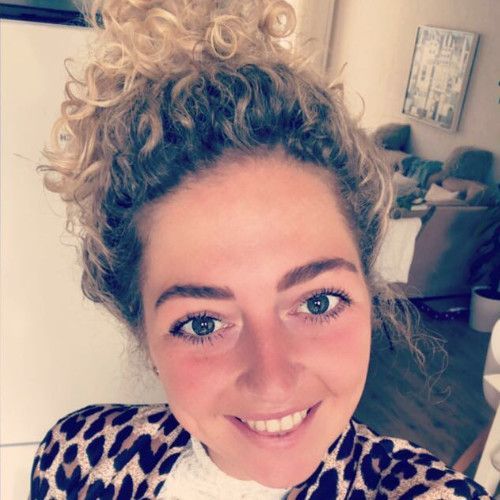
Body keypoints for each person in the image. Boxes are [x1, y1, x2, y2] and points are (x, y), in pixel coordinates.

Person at [30, 1, 490, 498]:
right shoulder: (77, 461)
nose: (273, 383)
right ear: (144, 336)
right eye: (202, 324)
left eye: (318, 302)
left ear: (369, 293)